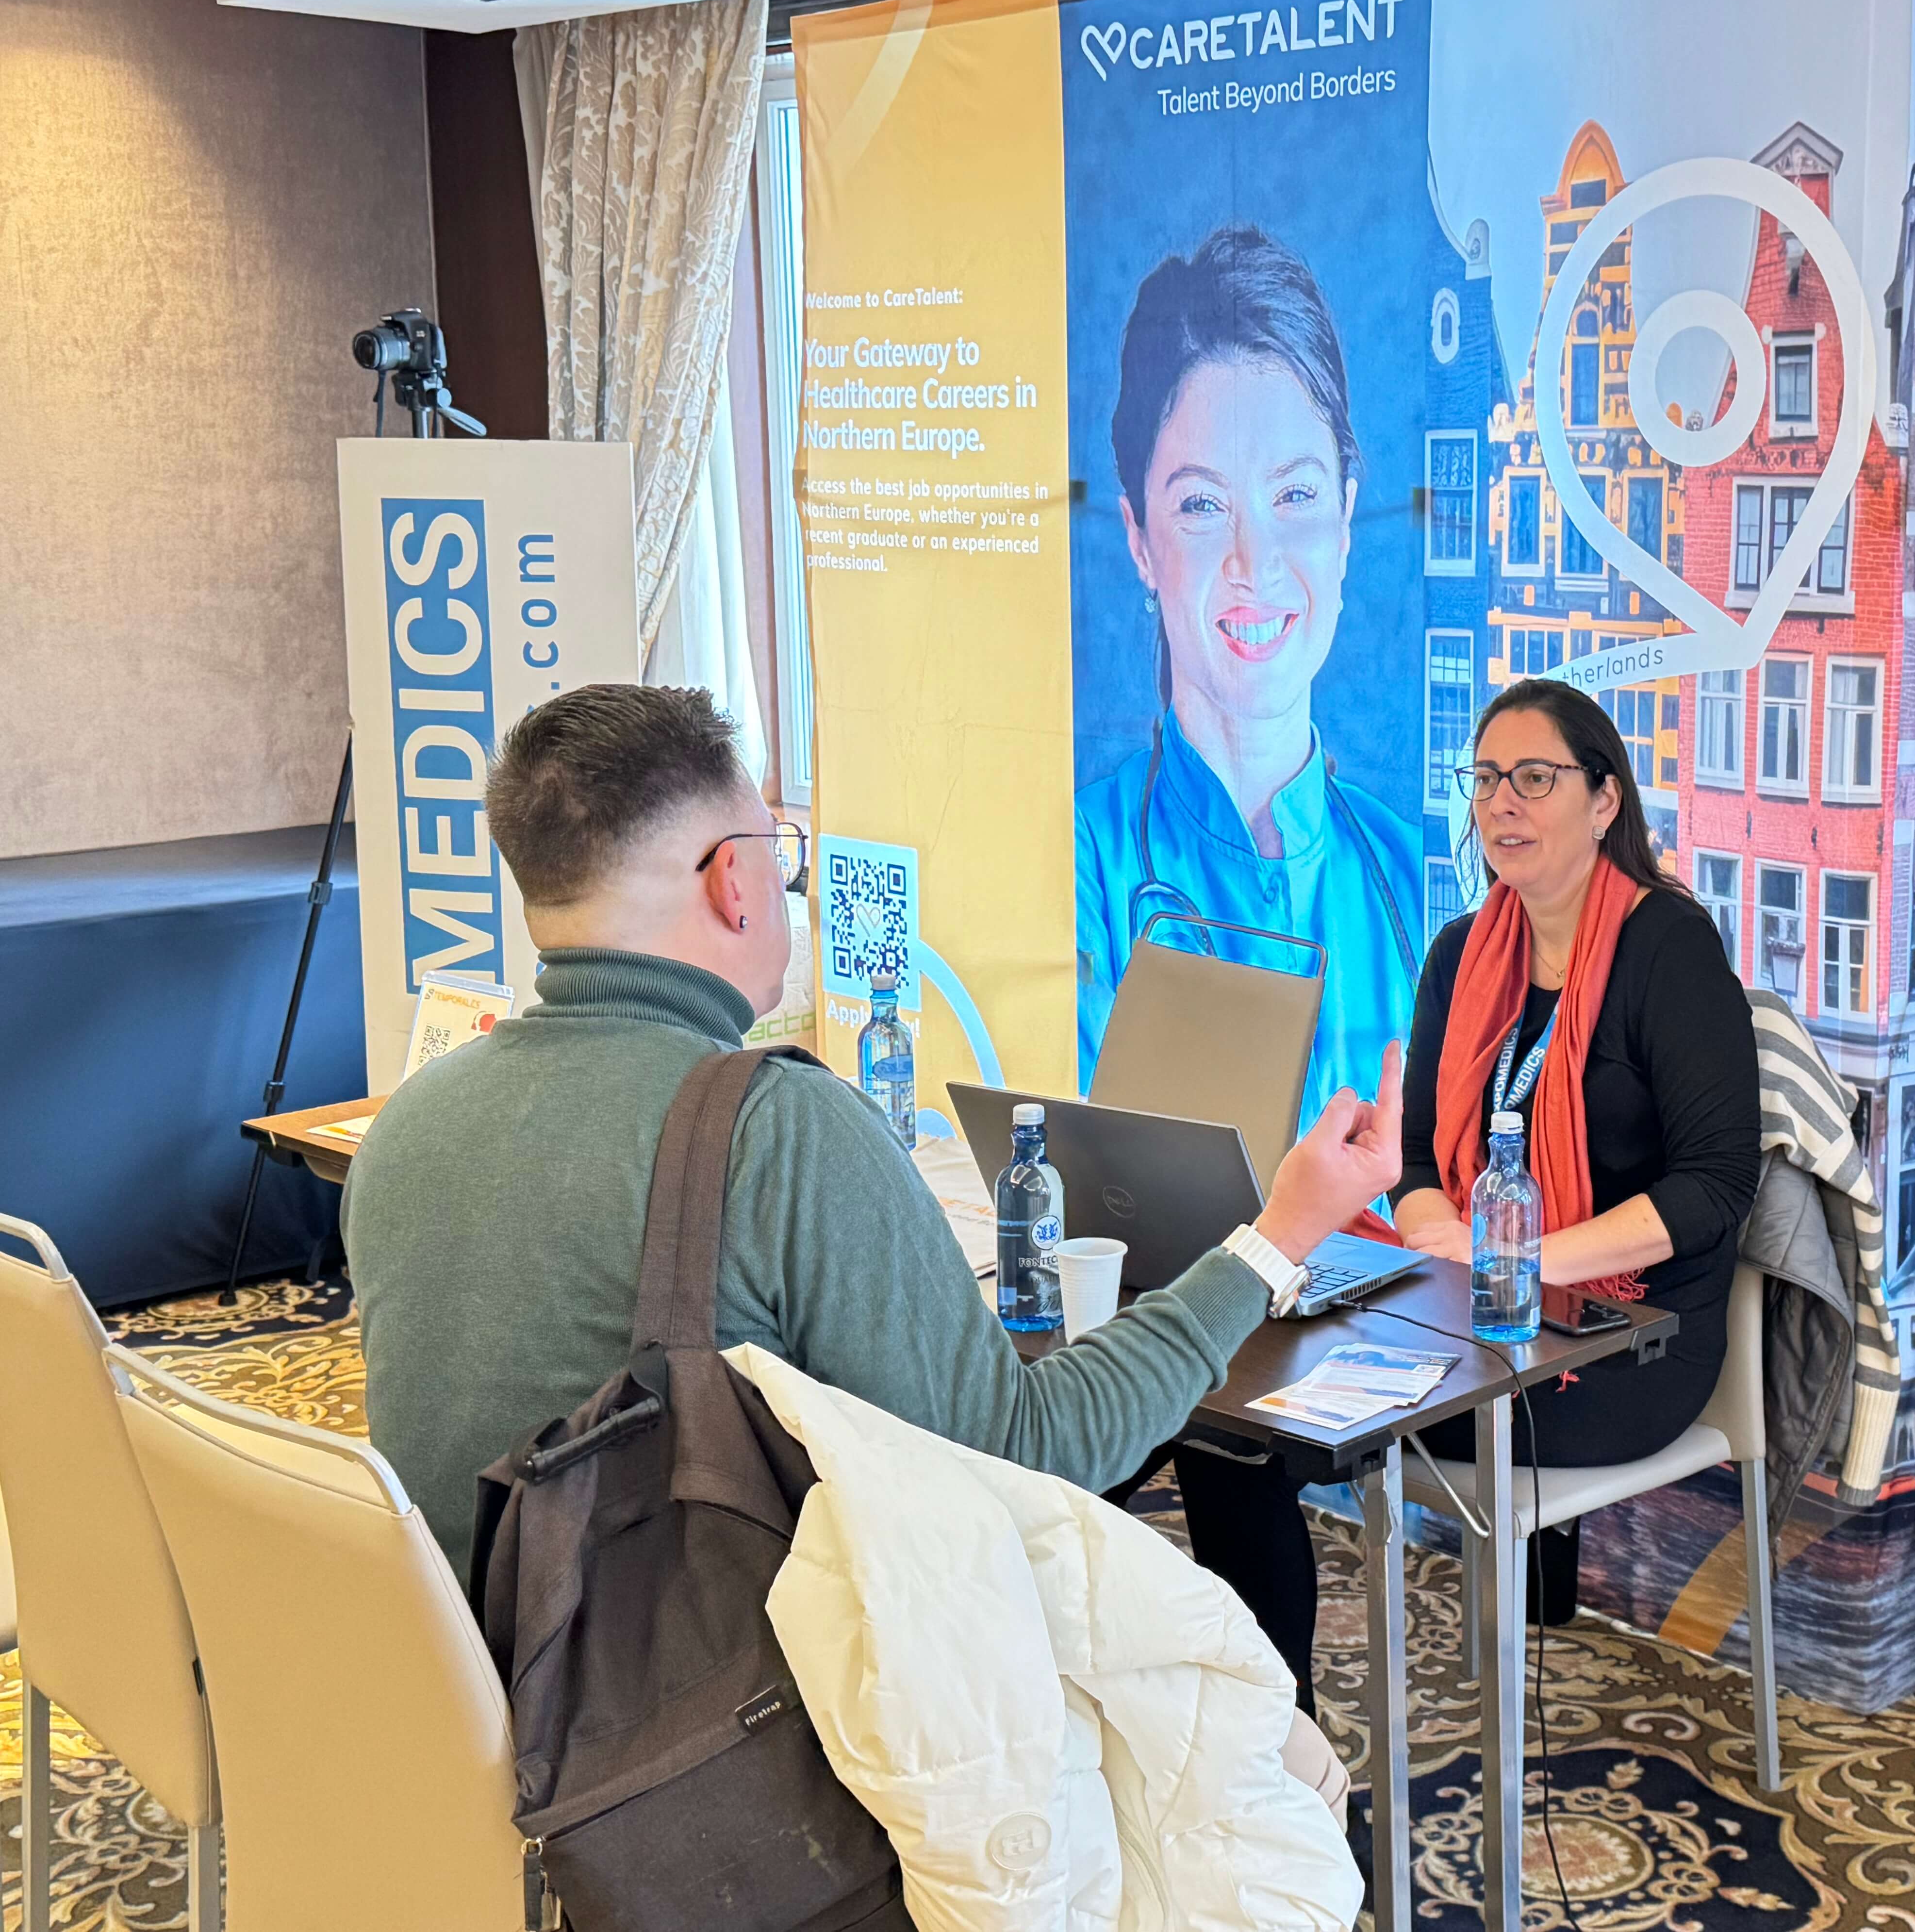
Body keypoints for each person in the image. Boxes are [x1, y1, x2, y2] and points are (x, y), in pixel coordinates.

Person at [343, 683, 1404, 1586]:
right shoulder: (775, 1127)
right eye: (777, 851)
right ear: (732, 882)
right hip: (705, 1726)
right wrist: (1277, 1236)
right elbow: (1024, 1452)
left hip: (463, 1699)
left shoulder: (408, 1125)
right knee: (1254, 1730)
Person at [1164, 677, 1761, 1686]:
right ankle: (1277, 1730)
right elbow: (1417, 1157)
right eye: (1484, 780)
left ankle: (1276, 1737)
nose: (1501, 804)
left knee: (1266, 1424)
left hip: (1628, 1341)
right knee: (1230, 1405)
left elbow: (1716, 1187)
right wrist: (1442, 1235)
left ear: (1605, 800)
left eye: (1534, 778)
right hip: (1465, 1307)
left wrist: (1513, 1259)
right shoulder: (1463, 951)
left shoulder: (1669, 948)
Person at [1072, 223, 1422, 1139]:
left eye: (1295, 495)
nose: (1252, 562)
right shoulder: (1081, 866)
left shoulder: (1417, 879)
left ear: (1345, 521)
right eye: (1202, 504)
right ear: (1139, 541)